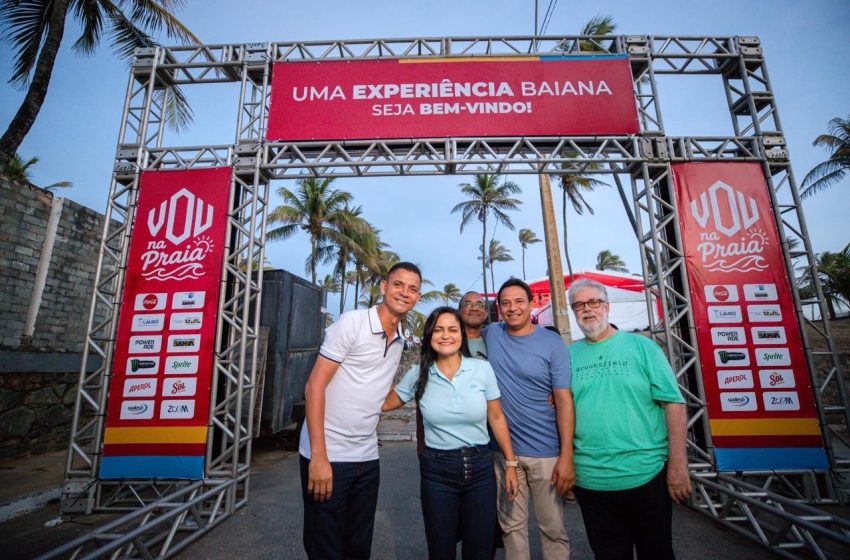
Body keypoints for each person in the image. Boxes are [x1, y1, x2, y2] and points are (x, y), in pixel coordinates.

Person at [299, 261, 422, 559]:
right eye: (398, 284)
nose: (404, 292)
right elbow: (314, 386)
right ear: (383, 286)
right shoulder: (351, 323)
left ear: (418, 297)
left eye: (413, 289)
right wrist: (318, 456)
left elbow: (374, 393)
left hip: (367, 458)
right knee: (325, 547)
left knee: (358, 546)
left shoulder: (400, 339)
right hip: (328, 454)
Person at [567, 278, 691, 560]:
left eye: (594, 302)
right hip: (591, 480)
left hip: (646, 475)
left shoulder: (642, 348)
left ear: (607, 306)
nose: (588, 310)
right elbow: (561, 409)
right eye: (579, 305)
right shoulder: (567, 356)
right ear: (574, 312)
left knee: (657, 554)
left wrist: (678, 465)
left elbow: (673, 404)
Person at [383, 307, 519, 559]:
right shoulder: (418, 373)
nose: (446, 335)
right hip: (437, 473)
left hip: (480, 469)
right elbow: (385, 403)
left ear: (462, 336)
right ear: (430, 335)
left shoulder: (481, 369)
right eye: (438, 329)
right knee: (440, 549)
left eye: (452, 329)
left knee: (480, 549)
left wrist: (511, 463)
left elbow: (497, 417)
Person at [485, 278, 575, 560]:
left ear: (531, 304)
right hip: (504, 454)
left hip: (546, 454)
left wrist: (566, 456)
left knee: (553, 529)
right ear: (499, 308)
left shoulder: (551, 343)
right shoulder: (491, 334)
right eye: (506, 303)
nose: (512, 308)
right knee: (511, 528)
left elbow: (563, 399)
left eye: (519, 301)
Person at [459, 291, 488, 359]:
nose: (474, 308)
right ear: (459, 311)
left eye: (480, 305)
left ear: (486, 314)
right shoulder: (449, 342)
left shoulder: (493, 340)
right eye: (468, 305)